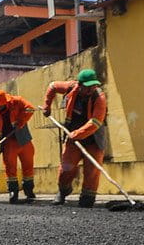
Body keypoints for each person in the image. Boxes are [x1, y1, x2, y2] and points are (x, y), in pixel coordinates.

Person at [42, 68, 107, 208]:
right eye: (87, 86)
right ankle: (63, 191)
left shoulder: (99, 97)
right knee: (66, 167)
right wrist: (47, 106)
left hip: (93, 138)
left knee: (92, 171)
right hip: (72, 136)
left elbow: (95, 122)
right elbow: (52, 86)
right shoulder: (70, 88)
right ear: (80, 84)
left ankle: (87, 199)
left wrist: (77, 134)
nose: (91, 89)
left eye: (93, 86)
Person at [0, 89, 37, 204]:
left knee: (28, 165)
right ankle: (13, 191)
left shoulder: (17, 101)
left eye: (0, 104)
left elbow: (30, 108)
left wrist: (21, 121)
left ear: (5, 101)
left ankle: (29, 190)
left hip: (24, 139)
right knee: (10, 168)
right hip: (9, 142)